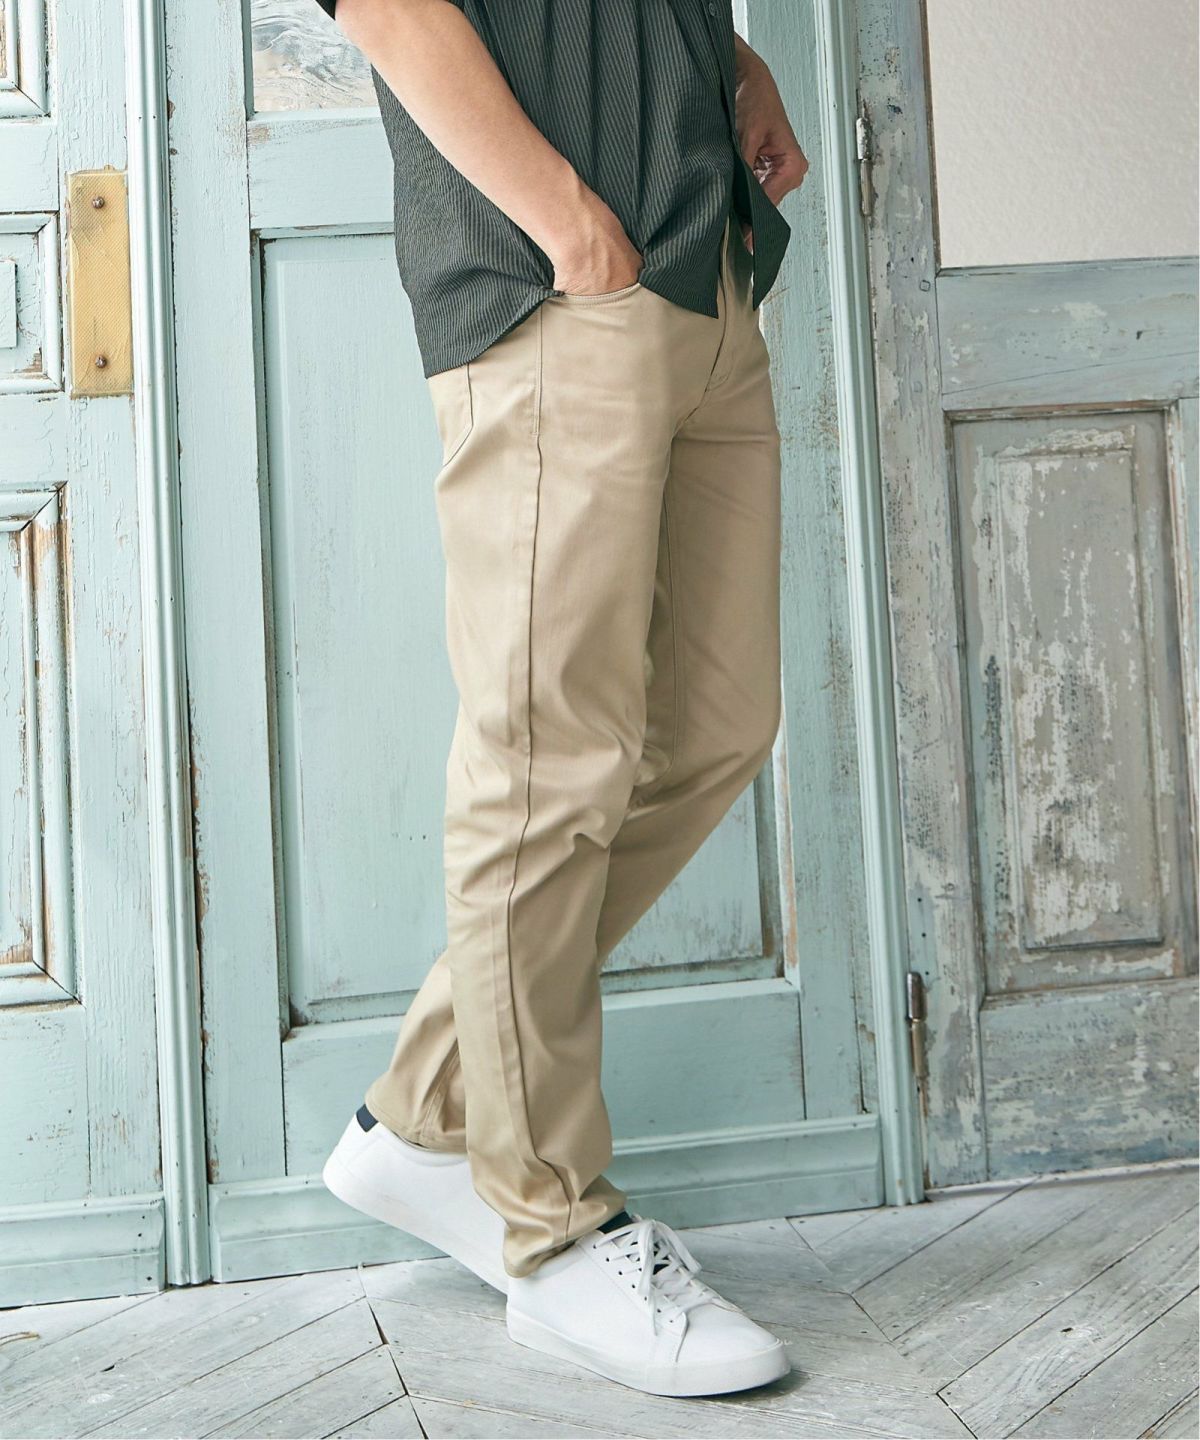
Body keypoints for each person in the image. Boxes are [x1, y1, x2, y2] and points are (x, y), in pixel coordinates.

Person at [313, 0, 809, 1397]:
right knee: (545, 768)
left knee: (715, 727)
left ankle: (428, 1113)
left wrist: (728, 61)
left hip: (703, 272)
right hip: (552, 290)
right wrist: (568, 226)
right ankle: (550, 1230)